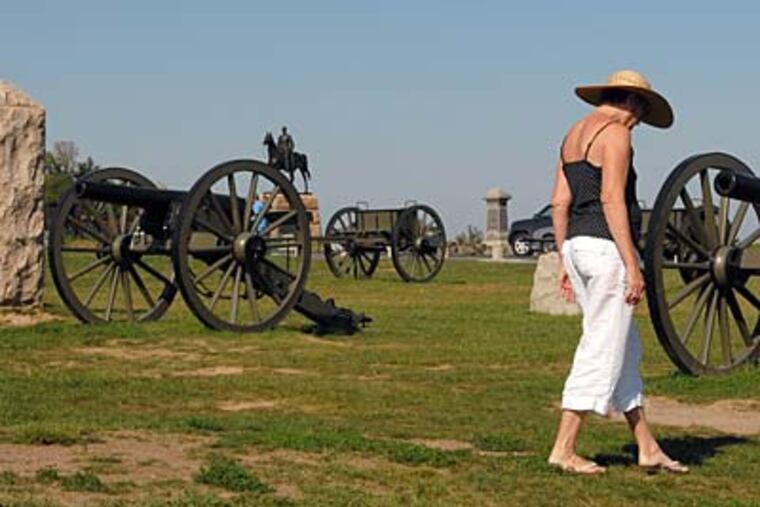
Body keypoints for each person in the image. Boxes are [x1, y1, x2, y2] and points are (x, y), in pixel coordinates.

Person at [548, 70, 688, 475]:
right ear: (632, 102)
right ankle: (564, 448)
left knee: (625, 348)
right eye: (640, 112)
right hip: (606, 251)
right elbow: (611, 199)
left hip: (577, 246)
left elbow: (560, 202)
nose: (639, 122)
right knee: (601, 348)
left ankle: (647, 447)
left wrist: (563, 258)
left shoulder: (572, 134)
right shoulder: (616, 134)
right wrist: (632, 263)